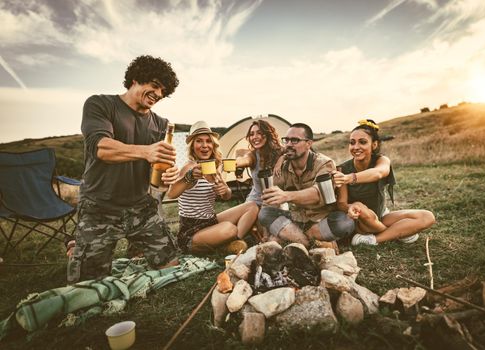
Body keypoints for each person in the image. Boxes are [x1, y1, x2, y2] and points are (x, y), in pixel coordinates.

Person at [67, 55, 180, 283]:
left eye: (163, 91)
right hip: (100, 206)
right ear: (136, 78)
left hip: (140, 206)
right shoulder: (100, 104)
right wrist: (146, 151)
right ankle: (79, 248)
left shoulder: (160, 124)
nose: (158, 94)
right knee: (86, 284)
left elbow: (156, 176)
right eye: (155, 85)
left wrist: (169, 174)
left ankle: (81, 247)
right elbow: (101, 148)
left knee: (172, 266)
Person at [333, 119, 436, 246]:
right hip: (360, 220)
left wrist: (350, 178)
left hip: (381, 216)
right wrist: (350, 208)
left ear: (374, 145)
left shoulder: (381, 160)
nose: (356, 147)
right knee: (359, 205)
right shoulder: (342, 169)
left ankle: (374, 240)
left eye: (363, 142)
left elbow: (378, 173)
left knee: (427, 216)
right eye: (352, 143)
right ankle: (398, 233)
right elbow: (341, 203)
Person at [165, 121, 258, 254]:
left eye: (208, 141)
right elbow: (171, 194)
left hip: (210, 221)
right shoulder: (189, 167)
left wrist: (225, 190)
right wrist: (189, 177)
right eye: (199, 141)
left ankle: (234, 241)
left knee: (252, 206)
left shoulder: (214, 166)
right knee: (230, 228)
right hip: (191, 232)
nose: (205, 146)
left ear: (213, 145)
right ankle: (228, 242)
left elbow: (227, 196)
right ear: (192, 145)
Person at [258, 123, 355, 250]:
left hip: (320, 221)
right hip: (295, 220)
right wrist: (266, 234)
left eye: (294, 140)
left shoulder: (324, 163)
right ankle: (309, 243)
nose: (288, 144)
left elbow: (317, 194)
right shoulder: (282, 167)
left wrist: (286, 196)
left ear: (309, 143)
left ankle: (292, 238)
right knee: (265, 213)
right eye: (286, 140)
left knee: (345, 223)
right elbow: (269, 201)